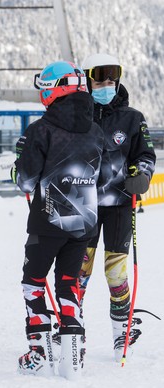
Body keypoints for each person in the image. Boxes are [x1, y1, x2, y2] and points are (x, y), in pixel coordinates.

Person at [13, 61, 106, 380]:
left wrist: (19, 165)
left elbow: (26, 181)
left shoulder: (40, 129)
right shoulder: (96, 130)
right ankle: (74, 349)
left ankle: (39, 350)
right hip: (85, 223)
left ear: (55, 89)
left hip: (47, 221)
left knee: (33, 283)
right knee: (70, 283)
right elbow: (102, 176)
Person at [79, 53, 156, 361]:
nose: (106, 86)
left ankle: (121, 329)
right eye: (100, 81)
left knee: (116, 271)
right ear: (87, 82)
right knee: (79, 269)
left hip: (118, 205)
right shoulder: (75, 116)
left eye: (112, 81)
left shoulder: (132, 118)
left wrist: (142, 174)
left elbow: (145, 156)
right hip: (81, 205)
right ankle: (72, 326)